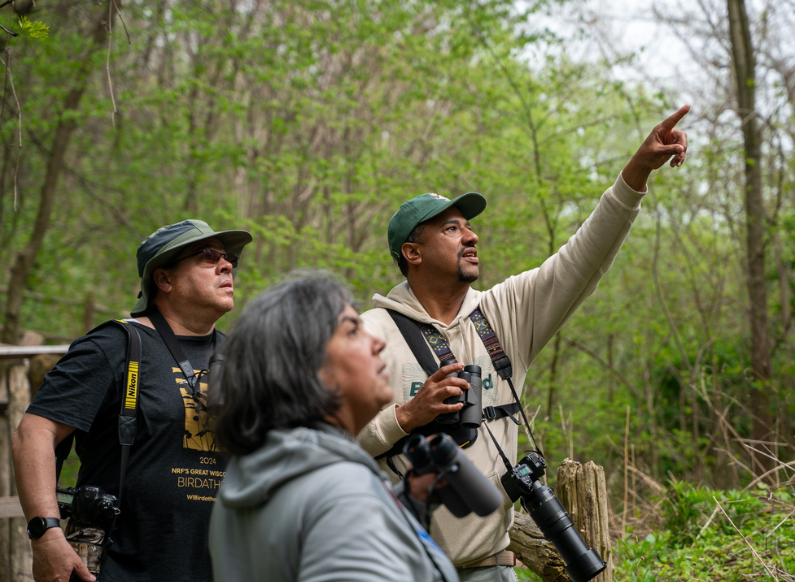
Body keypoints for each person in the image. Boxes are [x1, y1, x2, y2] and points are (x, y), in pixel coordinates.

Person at [357, 105, 691, 580]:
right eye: (451, 229)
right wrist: (405, 417)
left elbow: (582, 257)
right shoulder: (369, 333)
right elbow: (326, 447)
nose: (471, 236)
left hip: (493, 569)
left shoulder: (502, 315)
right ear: (412, 252)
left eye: (468, 226)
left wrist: (635, 173)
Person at [12, 219, 252, 582]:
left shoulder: (244, 358)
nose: (227, 265)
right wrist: (46, 534)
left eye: (227, 257)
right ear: (164, 280)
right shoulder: (115, 346)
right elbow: (34, 432)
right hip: (120, 570)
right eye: (207, 256)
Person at [208, 273, 459, 582]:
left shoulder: (247, 480)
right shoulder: (344, 494)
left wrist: (406, 503)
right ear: (310, 369)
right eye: (353, 331)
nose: (377, 342)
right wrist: (362, 502)